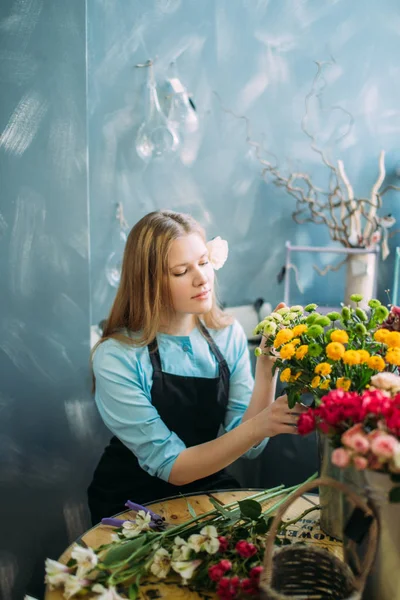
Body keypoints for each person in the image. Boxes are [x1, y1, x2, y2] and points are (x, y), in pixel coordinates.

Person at [87, 210, 305, 524]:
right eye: (181, 271)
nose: (202, 278)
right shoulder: (116, 357)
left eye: (204, 262)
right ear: (149, 282)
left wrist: (267, 366)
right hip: (132, 500)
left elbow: (248, 445)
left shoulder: (225, 334)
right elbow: (174, 467)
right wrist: (263, 424)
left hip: (206, 484)